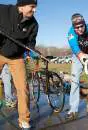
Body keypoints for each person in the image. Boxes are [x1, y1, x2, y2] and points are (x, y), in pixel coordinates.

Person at [0, 0, 38, 129]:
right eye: (32, 7)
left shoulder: (34, 24)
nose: (35, 10)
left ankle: (24, 120)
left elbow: (31, 41)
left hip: (17, 57)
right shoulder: (3, 10)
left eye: (35, 7)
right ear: (21, 6)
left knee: (23, 88)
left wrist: (31, 49)